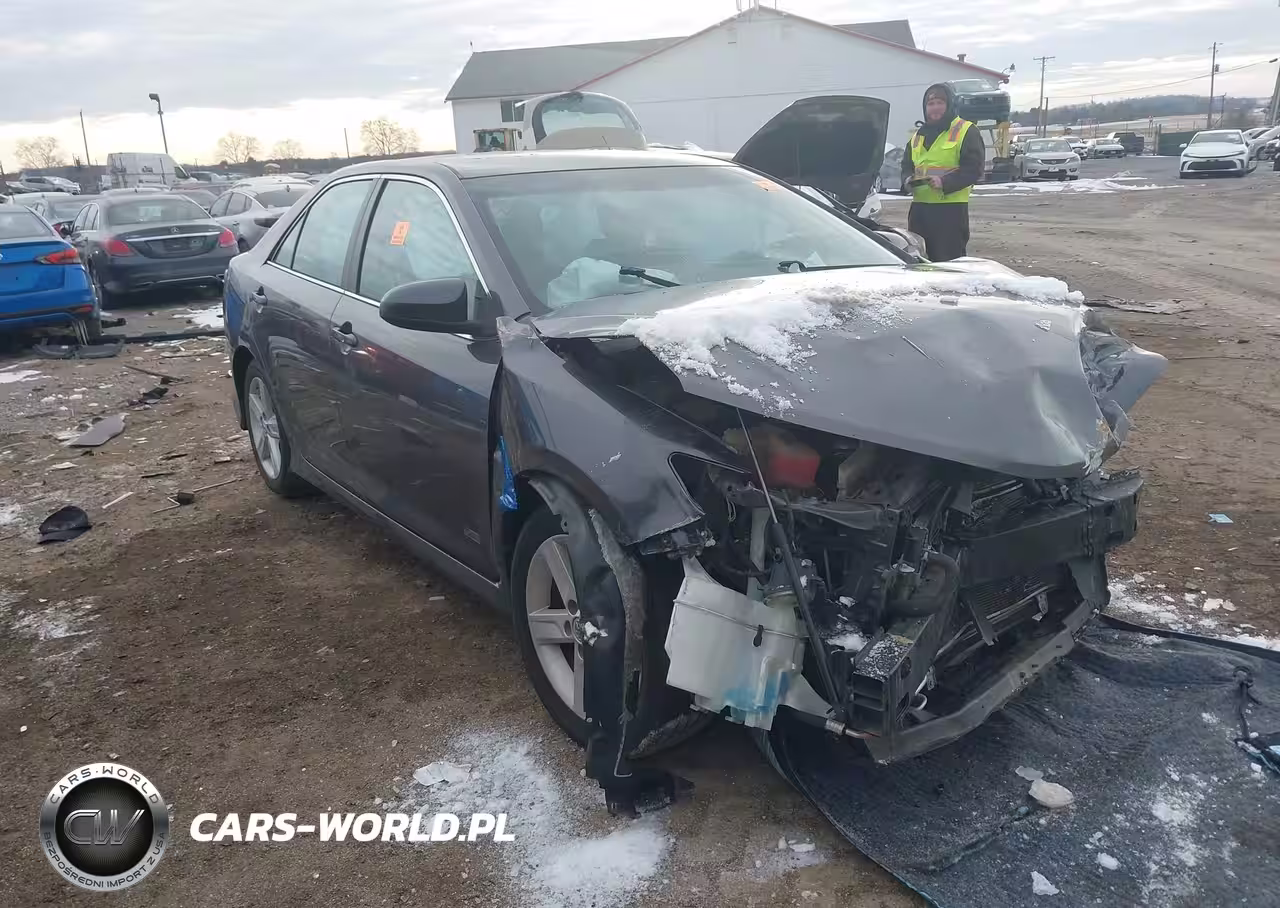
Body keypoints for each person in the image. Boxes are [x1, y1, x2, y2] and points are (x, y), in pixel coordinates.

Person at [900, 83, 985, 261]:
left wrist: (944, 182)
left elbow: (974, 169)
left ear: (950, 105)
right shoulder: (917, 135)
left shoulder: (966, 130)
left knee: (949, 263)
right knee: (919, 260)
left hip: (950, 211)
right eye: (930, 104)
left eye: (940, 102)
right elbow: (906, 165)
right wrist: (907, 180)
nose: (935, 108)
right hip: (920, 211)